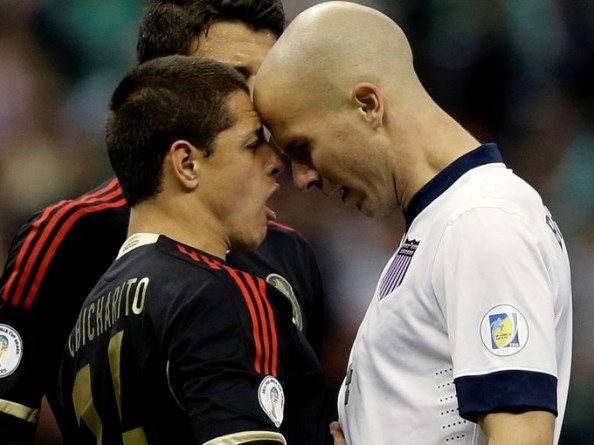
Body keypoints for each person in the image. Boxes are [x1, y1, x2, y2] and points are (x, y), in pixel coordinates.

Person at [0, 1, 329, 444]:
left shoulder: (292, 254)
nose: (255, 100)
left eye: (264, 79)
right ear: (161, 83)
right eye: (231, 76)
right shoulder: (68, 235)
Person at [253, 2, 572, 444]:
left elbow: (523, 436)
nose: (303, 178)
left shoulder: (482, 220)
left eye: (303, 147)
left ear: (368, 105)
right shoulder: (444, 220)